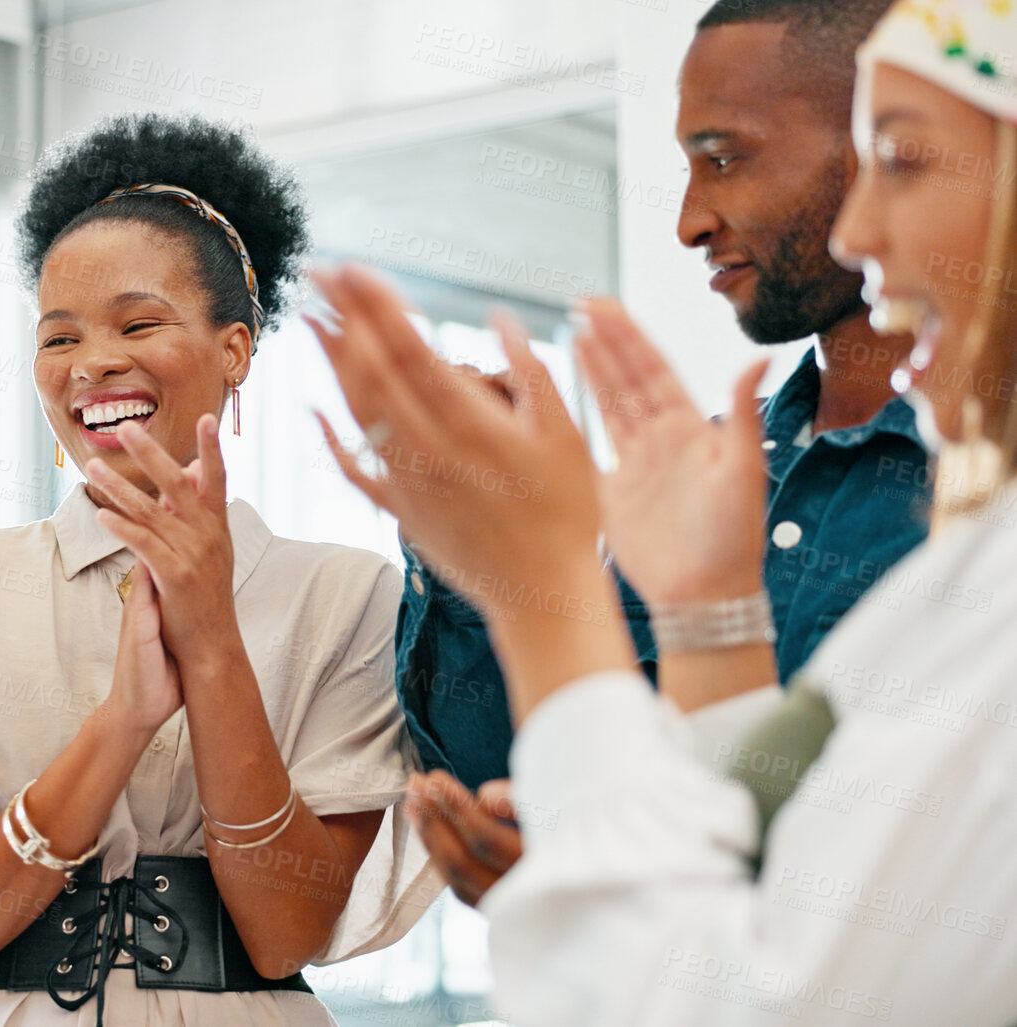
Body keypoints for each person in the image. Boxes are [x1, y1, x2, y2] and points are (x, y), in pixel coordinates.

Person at [308, 0, 1017, 1020]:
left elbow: (755, 992)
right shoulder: (725, 478)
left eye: (899, 157)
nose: (866, 231)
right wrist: (698, 615)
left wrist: (548, 597)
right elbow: (743, 832)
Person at [0, 114, 437, 1026]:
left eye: (138, 323)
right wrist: (120, 723)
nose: (93, 363)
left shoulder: (346, 597)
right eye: (57, 338)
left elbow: (283, 931)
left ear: (234, 348)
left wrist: (214, 646)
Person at [399, 0, 933, 909]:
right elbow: (520, 772)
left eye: (723, 159)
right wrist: (482, 541)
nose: (688, 220)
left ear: (885, 145)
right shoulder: (701, 470)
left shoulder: (979, 473)